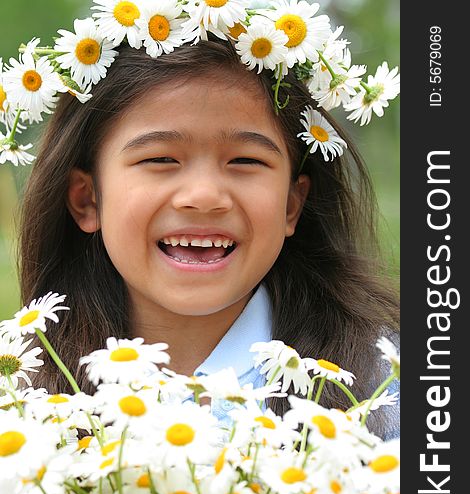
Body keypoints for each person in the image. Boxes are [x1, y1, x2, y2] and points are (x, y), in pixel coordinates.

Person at [15, 19, 399, 440]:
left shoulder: (390, 391)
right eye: (160, 160)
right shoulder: (21, 407)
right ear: (87, 199)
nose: (204, 196)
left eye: (245, 161)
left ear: (293, 204)